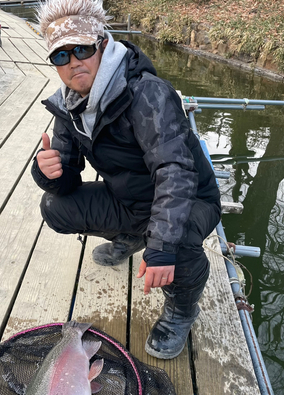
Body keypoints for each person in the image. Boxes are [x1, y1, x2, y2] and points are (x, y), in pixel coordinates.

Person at [31, 0, 221, 359]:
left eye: (81, 49)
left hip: (191, 199)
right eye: (61, 56)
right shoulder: (68, 106)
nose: (73, 62)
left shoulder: (147, 93)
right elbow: (68, 181)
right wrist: (49, 173)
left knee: (173, 245)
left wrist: (161, 248)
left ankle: (182, 309)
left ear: (102, 44)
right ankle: (133, 236)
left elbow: (176, 173)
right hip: (132, 199)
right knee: (54, 207)